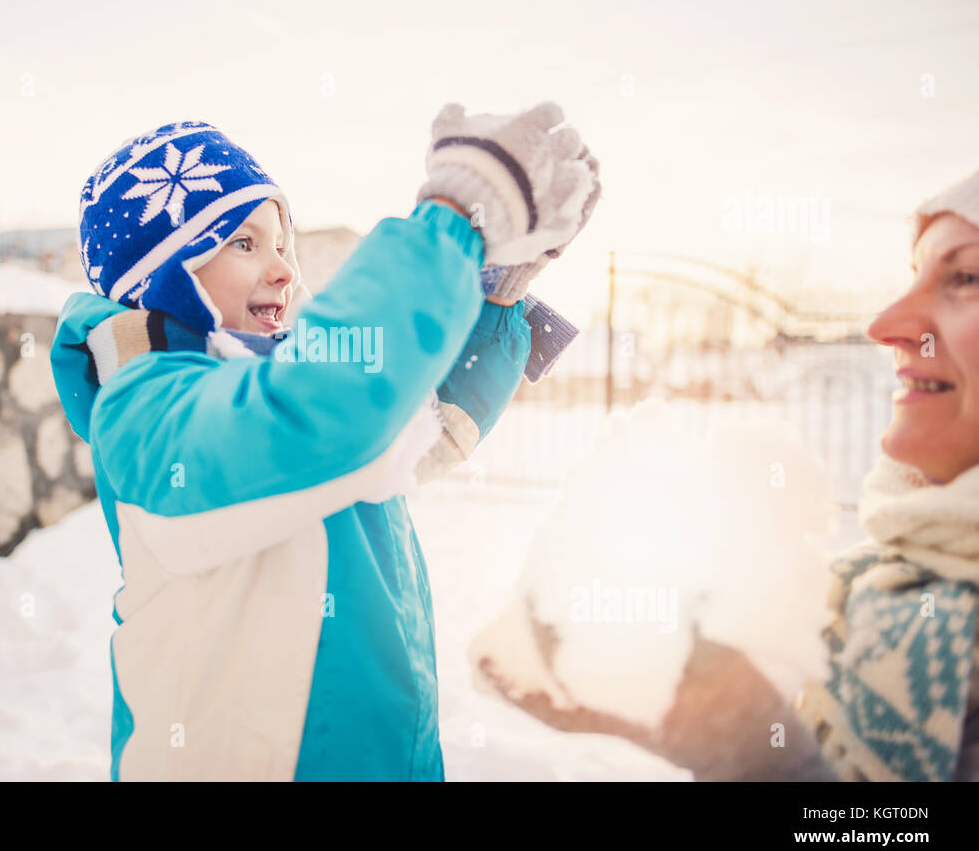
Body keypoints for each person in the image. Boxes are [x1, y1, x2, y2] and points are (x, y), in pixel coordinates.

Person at [49, 107, 601, 780]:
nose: (283, 270)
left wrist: (491, 288)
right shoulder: (142, 411)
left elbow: (412, 423)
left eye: (283, 244)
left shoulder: (277, 383)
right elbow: (317, 414)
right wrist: (448, 224)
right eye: (244, 243)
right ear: (160, 274)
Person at [474, 168, 979, 781]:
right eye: (914, 276)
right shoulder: (870, 591)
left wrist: (751, 750)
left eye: (965, 277)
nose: (885, 324)